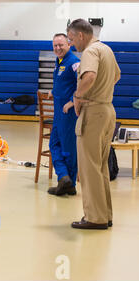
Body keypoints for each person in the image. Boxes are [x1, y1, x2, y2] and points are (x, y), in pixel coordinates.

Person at [67, 19, 121, 230]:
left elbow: (89, 76)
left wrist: (78, 95)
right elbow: (116, 75)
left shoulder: (90, 52)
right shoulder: (105, 49)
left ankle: (94, 217)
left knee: (89, 168)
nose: (71, 44)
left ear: (81, 35)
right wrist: (102, 91)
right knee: (100, 167)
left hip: (94, 112)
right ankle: (104, 214)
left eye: (71, 39)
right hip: (108, 110)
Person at [47, 33, 80, 196]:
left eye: (61, 45)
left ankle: (69, 183)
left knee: (68, 149)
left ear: (69, 44)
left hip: (69, 114)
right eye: (55, 46)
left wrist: (74, 100)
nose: (58, 48)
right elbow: (64, 82)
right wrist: (54, 91)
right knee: (54, 144)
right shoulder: (59, 62)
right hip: (58, 114)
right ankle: (64, 178)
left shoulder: (74, 62)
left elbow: (85, 82)